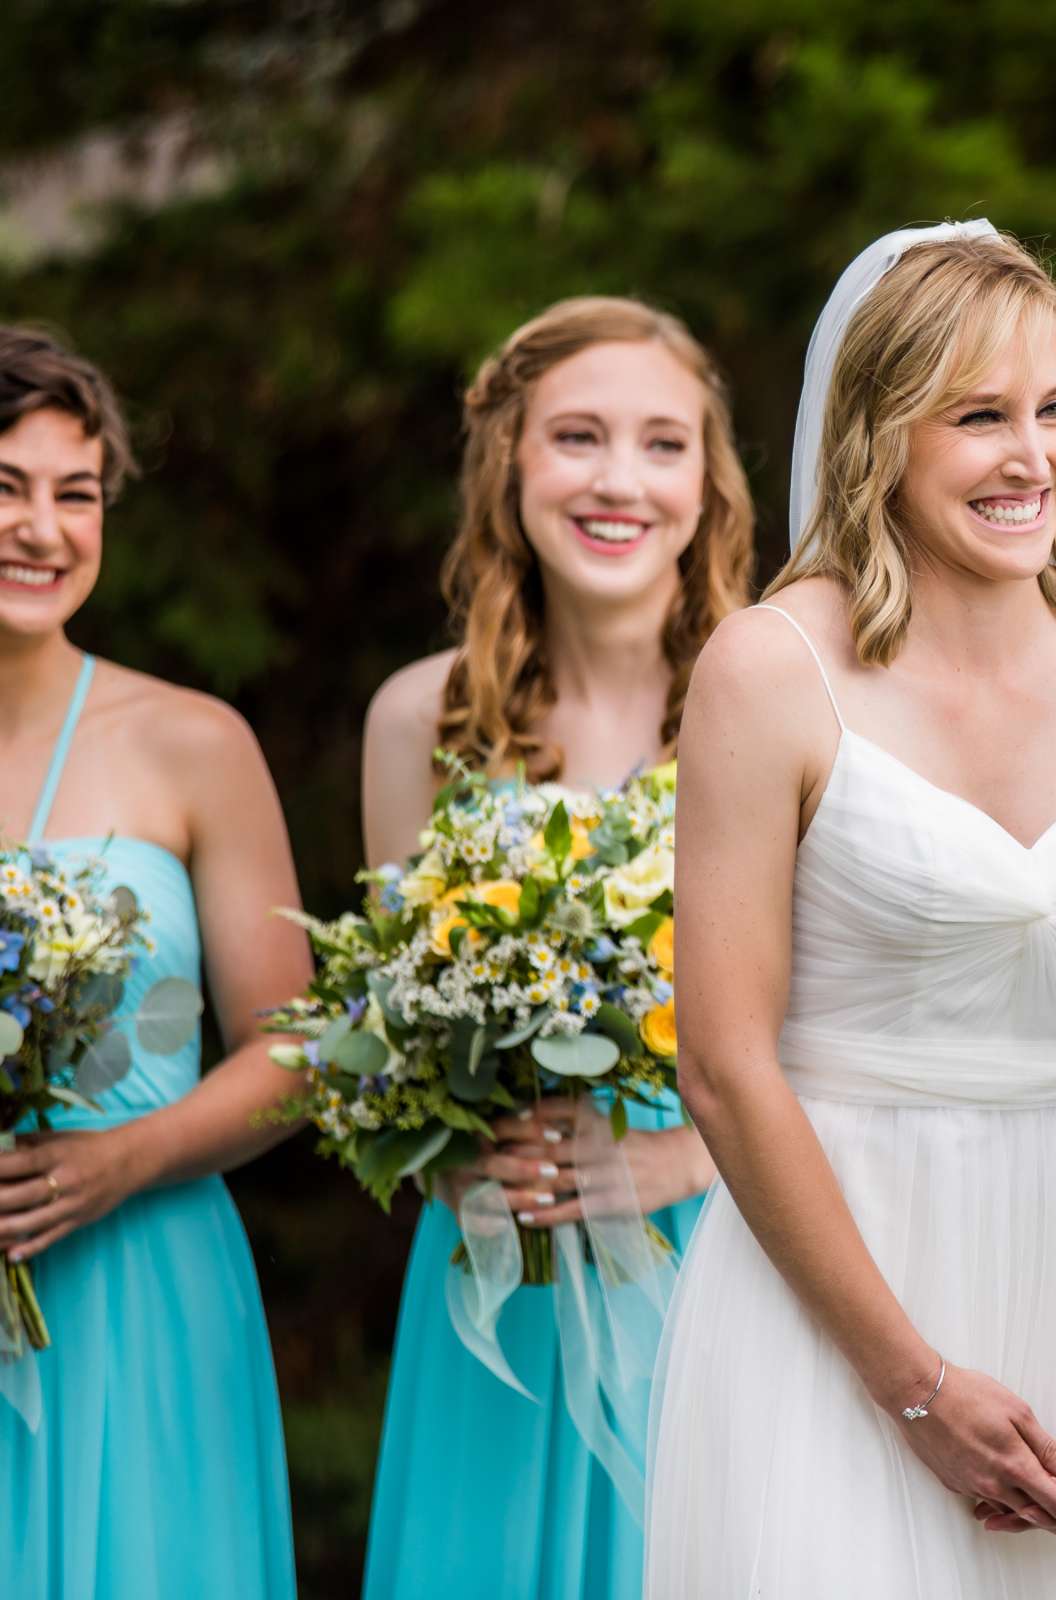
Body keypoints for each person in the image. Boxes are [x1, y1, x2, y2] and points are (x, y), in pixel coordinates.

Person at [646, 223, 1056, 1594]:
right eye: (979, 418)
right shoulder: (769, 670)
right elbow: (725, 1067)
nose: (1032, 459)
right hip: (840, 1306)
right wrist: (914, 1384)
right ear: (878, 436)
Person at [358, 296, 753, 1599]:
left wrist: (681, 1156)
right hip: (496, 1274)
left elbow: (859, 1030)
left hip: (722, 1259)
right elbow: (390, 1037)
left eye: (662, 443)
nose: (618, 480)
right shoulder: (423, 717)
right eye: (577, 437)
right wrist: (449, 1147)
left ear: (710, 478)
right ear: (509, 467)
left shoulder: (781, 707)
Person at [0, 325, 310, 1597]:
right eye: (6, 486)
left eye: (77, 494)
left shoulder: (195, 742)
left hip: (147, 1284)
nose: (44, 528)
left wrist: (121, 1158)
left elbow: (299, 1049)